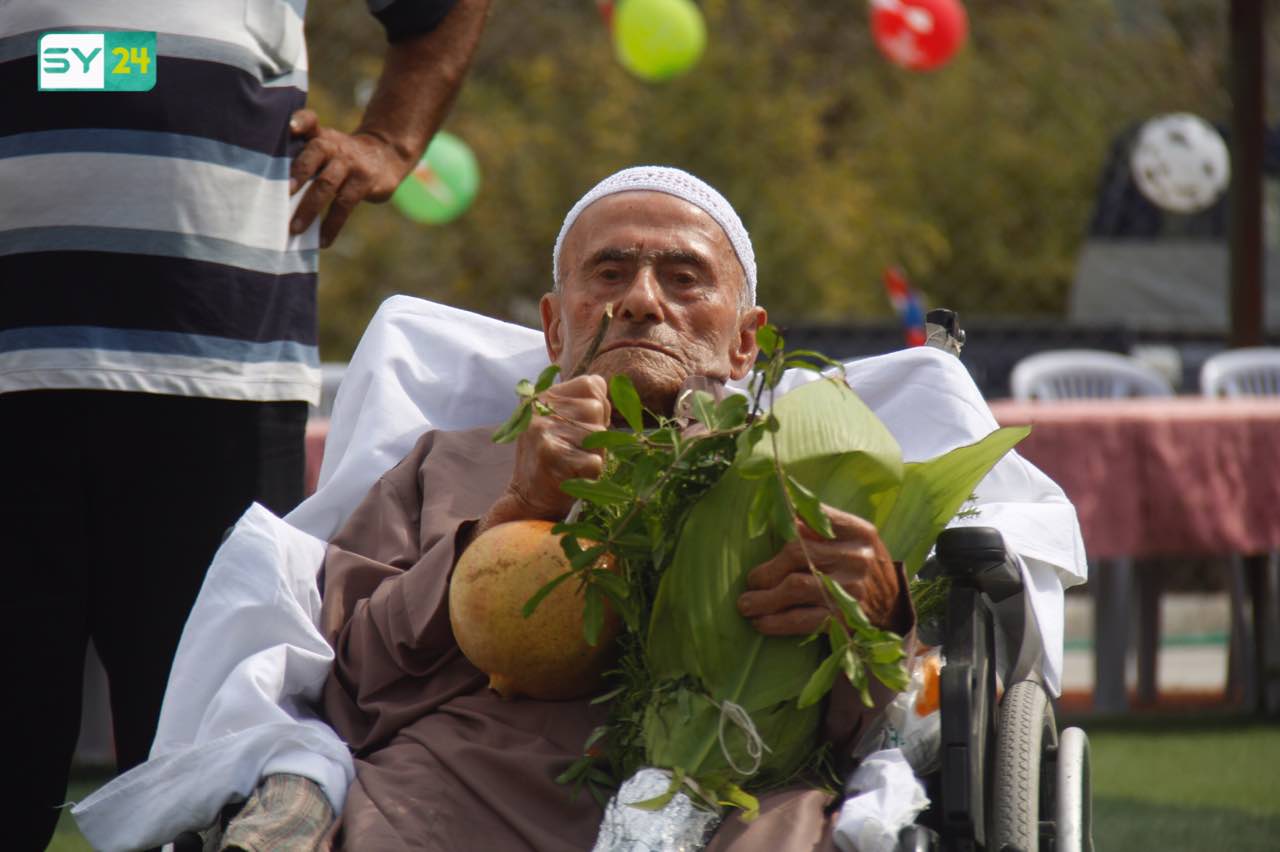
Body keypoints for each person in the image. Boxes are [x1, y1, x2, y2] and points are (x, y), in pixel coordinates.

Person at [216, 166, 920, 849]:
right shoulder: (449, 465)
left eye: (684, 279)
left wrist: (883, 619)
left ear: (744, 340)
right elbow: (348, 691)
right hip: (463, 794)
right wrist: (514, 512)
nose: (642, 301)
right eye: (610, 275)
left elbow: (884, 735)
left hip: (739, 804)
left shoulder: (803, 475)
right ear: (555, 328)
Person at [0, 1, 490, 847]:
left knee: (206, 779)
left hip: (218, 372)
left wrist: (391, 140)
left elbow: (114, 57)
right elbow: (82, 56)